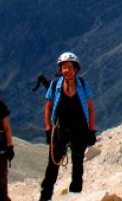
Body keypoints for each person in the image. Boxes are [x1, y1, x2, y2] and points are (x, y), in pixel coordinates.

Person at [39, 52, 96, 198]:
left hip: (79, 129)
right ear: (60, 70)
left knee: (78, 163)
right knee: (53, 164)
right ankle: (45, 195)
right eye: (64, 67)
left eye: (70, 67)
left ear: (76, 68)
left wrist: (91, 130)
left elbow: (90, 108)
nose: (67, 70)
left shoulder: (82, 85)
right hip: (60, 130)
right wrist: (47, 128)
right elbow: (48, 107)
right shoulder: (54, 85)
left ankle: (75, 193)